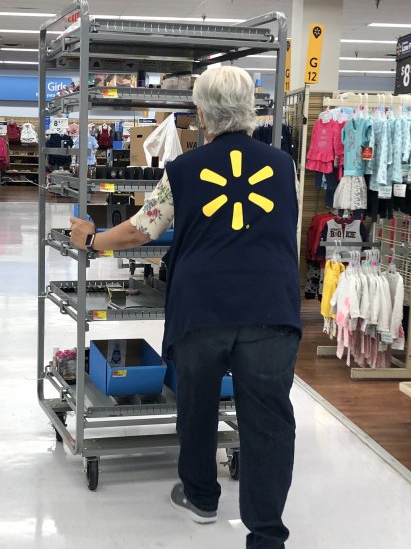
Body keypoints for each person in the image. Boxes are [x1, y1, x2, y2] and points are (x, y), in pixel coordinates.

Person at [69, 65, 301, 549]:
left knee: (196, 407)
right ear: (250, 108)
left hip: (203, 310)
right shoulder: (283, 166)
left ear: (201, 113)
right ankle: (266, 535)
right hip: (270, 309)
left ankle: (201, 499)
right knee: (269, 421)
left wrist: (93, 240)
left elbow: (139, 230)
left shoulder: (183, 171)